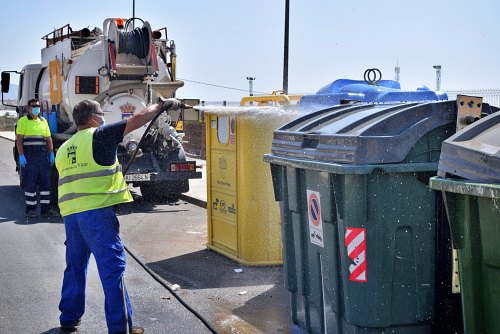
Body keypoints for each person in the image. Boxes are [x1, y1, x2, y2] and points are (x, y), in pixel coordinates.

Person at [55, 98, 181, 334]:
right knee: (112, 270)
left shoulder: (65, 148)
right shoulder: (99, 135)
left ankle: (69, 317)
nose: (103, 117)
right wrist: (162, 105)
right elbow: (138, 120)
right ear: (93, 118)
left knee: (74, 267)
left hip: (72, 217)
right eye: (101, 113)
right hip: (97, 215)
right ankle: (120, 327)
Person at [15, 98, 58, 218]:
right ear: (29, 108)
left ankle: (46, 210)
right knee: (31, 183)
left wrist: (51, 153)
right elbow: (19, 139)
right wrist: (21, 155)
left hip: (42, 157)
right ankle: (31, 210)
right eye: (34, 106)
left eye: (38, 106)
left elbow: (48, 139)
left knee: (46, 184)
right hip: (29, 157)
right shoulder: (23, 121)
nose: (36, 108)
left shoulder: (43, 121)